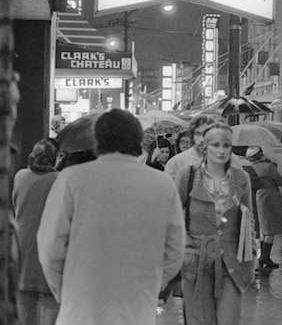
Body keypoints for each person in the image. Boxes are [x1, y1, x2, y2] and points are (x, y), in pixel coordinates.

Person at [37, 109, 185, 325]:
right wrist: (153, 284)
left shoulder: (71, 180)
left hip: (80, 308)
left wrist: (63, 290)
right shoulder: (162, 184)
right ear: (138, 141)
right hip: (137, 308)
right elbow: (175, 249)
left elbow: (49, 245)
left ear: (98, 140)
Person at [174, 122, 254, 325]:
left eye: (226, 145)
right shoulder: (188, 176)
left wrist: (251, 256)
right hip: (196, 262)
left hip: (231, 261)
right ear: (204, 147)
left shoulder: (241, 178)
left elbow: (249, 220)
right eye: (216, 145)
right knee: (199, 320)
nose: (221, 150)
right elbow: (172, 217)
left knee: (229, 319)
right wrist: (183, 246)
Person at [12, 138, 60, 325]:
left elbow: (16, 205)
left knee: (25, 301)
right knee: (50, 300)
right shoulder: (59, 179)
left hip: (23, 245)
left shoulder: (20, 176)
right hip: (49, 246)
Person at [245, 146, 282, 269]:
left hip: (259, 197)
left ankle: (265, 257)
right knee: (271, 230)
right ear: (260, 155)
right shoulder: (268, 166)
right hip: (271, 199)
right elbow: (281, 181)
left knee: (265, 228)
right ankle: (264, 257)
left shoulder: (252, 168)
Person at [165, 115, 218, 180]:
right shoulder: (175, 162)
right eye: (198, 134)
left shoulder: (227, 160)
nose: (202, 139)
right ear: (192, 136)